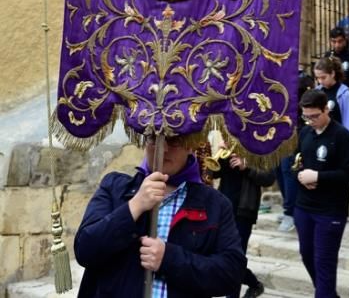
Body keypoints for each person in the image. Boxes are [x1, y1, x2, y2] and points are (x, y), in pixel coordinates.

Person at [74, 133, 246, 298]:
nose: (162, 149)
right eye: (153, 139)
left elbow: (231, 273)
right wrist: (135, 205)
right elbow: (85, 250)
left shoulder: (216, 204)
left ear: (191, 145)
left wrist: (169, 258)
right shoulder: (114, 187)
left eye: (174, 141)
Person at [294, 89, 349, 298]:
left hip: (330, 210)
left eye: (314, 116)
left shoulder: (341, 136)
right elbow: (296, 163)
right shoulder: (305, 133)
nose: (310, 121)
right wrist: (301, 175)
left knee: (324, 262)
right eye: (306, 116)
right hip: (304, 206)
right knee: (307, 256)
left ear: (326, 109)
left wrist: (319, 177)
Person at [211, 146, 275, 298]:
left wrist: (247, 167)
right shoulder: (228, 148)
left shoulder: (260, 146)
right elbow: (213, 173)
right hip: (223, 209)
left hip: (244, 212)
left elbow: (269, 178)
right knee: (220, 255)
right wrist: (220, 157)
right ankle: (254, 284)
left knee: (235, 257)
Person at [276, 65, 314, 233]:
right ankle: (288, 205)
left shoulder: (304, 79)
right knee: (278, 170)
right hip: (279, 129)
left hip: (295, 131)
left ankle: (290, 212)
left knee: (288, 169)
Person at [314, 56, 349, 135]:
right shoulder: (317, 91)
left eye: (323, 77)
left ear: (332, 73)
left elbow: (348, 123)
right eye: (317, 78)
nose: (320, 81)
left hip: (338, 139)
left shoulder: (345, 95)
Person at [325, 27, 349, 97]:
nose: (337, 45)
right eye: (334, 41)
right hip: (331, 95)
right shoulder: (327, 56)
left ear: (345, 40)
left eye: (340, 41)